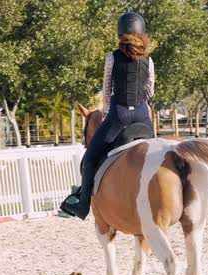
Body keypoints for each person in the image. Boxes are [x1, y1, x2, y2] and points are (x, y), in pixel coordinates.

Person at [60, 12, 156, 220]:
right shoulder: (149, 61)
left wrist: (106, 114)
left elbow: (106, 88)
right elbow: (150, 91)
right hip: (142, 118)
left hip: (119, 115)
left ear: (120, 34)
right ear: (142, 33)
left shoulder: (112, 57)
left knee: (89, 159)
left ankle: (83, 206)